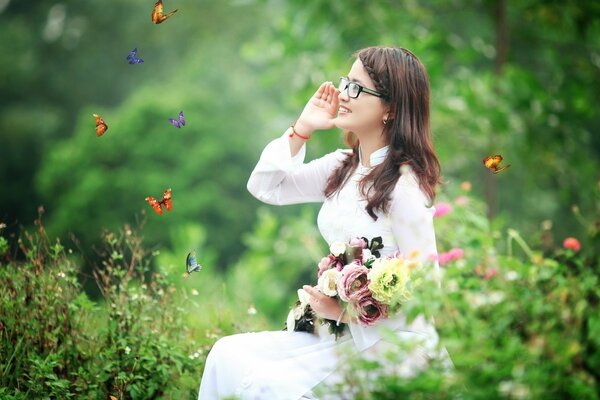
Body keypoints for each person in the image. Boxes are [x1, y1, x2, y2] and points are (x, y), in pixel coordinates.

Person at [198, 46, 443, 400]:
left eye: (357, 88)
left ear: (390, 109)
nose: (342, 94)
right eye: (346, 82)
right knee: (227, 354)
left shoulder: (403, 186)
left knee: (273, 387)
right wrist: (302, 128)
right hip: (341, 336)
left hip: (391, 348)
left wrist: (346, 312)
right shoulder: (342, 166)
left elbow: (428, 293)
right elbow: (265, 187)